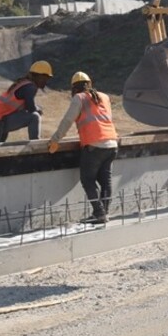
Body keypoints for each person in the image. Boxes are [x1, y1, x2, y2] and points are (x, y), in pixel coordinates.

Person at [48, 71, 119, 225]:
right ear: (90, 84)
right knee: (106, 181)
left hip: (94, 145)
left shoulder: (79, 98)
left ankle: (99, 213)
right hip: (112, 143)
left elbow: (67, 120)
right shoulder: (104, 97)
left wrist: (55, 140)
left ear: (74, 88)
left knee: (87, 180)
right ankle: (103, 213)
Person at [0, 61, 51, 143]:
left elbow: (26, 106)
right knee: (34, 117)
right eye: (45, 78)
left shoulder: (23, 84)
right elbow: (31, 109)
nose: (46, 81)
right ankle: (35, 145)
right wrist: (37, 109)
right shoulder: (30, 87)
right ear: (38, 76)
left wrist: (36, 108)